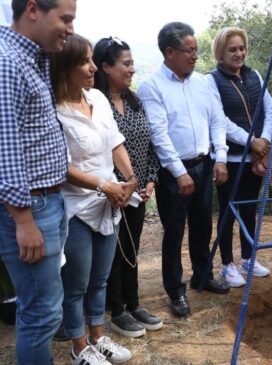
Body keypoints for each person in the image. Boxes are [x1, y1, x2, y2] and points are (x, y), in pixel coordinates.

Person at [137, 22, 231, 318]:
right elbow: (159, 134)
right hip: (172, 173)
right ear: (169, 52)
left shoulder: (204, 82)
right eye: (189, 51)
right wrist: (179, 172)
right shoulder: (151, 87)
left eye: (195, 51)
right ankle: (175, 291)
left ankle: (202, 276)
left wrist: (221, 157)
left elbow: (217, 120)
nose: (195, 56)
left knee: (203, 224)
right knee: (175, 231)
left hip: (204, 164)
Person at [53, 34, 135, 364]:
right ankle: (78, 346)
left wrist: (129, 180)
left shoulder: (98, 98)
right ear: (64, 68)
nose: (92, 67)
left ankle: (99, 336)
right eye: (84, 62)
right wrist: (105, 185)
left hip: (109, 201)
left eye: (91, 60)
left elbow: (115, 143)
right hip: (75, 207)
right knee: (77, 284)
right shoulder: (54, 111)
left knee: (100, 279)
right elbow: (61, 167)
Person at [0, 0, 74, 363]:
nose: (70, 28)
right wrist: (23, 220)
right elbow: (5, 147)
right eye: (65, 18)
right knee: (40, 313)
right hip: (29, 207)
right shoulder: (7, 63)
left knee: (45, 310)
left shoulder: (34, 57)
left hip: (49, 201)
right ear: (33, 9)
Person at [92, 36, 163, 337]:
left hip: (138, 192)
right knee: (115, 253)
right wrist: (119, 187)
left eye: (133, 63)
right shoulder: (95, 104)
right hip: (111, 195)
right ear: (106, 67)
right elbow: (98, 150)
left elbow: (148, 147)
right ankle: (116, 311)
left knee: (132, 249)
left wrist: (149, 180)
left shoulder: (134, 102)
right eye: (126, 63)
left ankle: (133, 304)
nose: (132, 69)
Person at [205, 27, 272, 287]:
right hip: (231, 158)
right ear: (220, 53)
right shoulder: (211, 80)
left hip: (254, 158)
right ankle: (226, 265)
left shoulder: (254, 75)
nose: (238, 53)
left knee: (249, 209)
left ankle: (248, 258)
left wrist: (264, 142)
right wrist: (251, 141)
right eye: (232, 49)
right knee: (228, 212)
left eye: (241, 48)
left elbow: (270, 110)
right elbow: (218, 118)